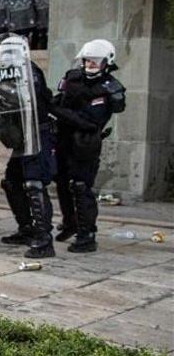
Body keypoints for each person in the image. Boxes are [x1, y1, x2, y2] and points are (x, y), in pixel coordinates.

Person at [53, 40, 126, 253]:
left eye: (96, 62)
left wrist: (57, 111)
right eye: (88, 61)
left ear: (107, 62)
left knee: (80, 186)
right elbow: (61, 99)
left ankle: (87, 234)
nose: (90, 65)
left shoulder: (109, 88)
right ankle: (71, 223)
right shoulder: (73, 77)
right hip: (64, 139)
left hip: (85, 143)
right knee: (62, 183)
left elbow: (90, 121)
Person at [0, 36, 56, 258]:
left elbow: (30, 99)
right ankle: (27, 228)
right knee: (11, 182)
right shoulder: (3, 75)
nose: (8, 57)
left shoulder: (31, 72)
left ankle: (44, 239)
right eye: (5, 53)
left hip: (37, 135)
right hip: (21, 138)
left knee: (34, 184)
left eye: (12, 52)